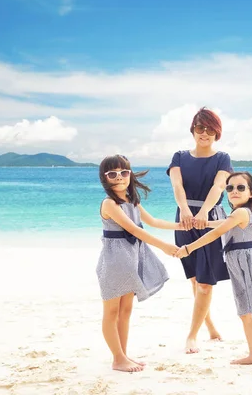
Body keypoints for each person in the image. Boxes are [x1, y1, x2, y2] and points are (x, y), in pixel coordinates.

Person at [176, 172, 252, 365]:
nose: (234, 191)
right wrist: (199, 223)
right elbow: (221, 224)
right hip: (238, 265)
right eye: (230, 188)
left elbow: (216, 233)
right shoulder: (238, 213)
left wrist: (189, 248)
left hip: (247, 264)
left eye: (241, 187)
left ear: (251, 192)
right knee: (245, 312)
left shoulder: (241, 212)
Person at [97, 154, 179, 372]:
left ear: (130, 174)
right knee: (111, 311)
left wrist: (183, 227)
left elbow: (153, 222)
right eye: (112, 174)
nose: (120, 177)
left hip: (131, 260)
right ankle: (117, 358)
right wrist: (164, 247)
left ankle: (123, 355)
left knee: (126, 311)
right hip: (115, 261)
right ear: (105, 178)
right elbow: (134, 229)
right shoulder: (109, 203)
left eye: (124, 172)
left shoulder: (132, 201)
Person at [166, 107, 234, 354]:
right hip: (184, 221)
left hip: (211, 221)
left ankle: (191, 336)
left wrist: (204, 212)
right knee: (195, 280)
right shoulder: (179, 157)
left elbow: (218, 187)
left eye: (209, 129)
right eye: (199, 128)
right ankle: (211, 326)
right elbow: (177, 185)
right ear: (193, 130)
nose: (204, 133)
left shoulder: (222, 158)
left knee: (206, 283)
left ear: (217, 132)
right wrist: (184, 210)